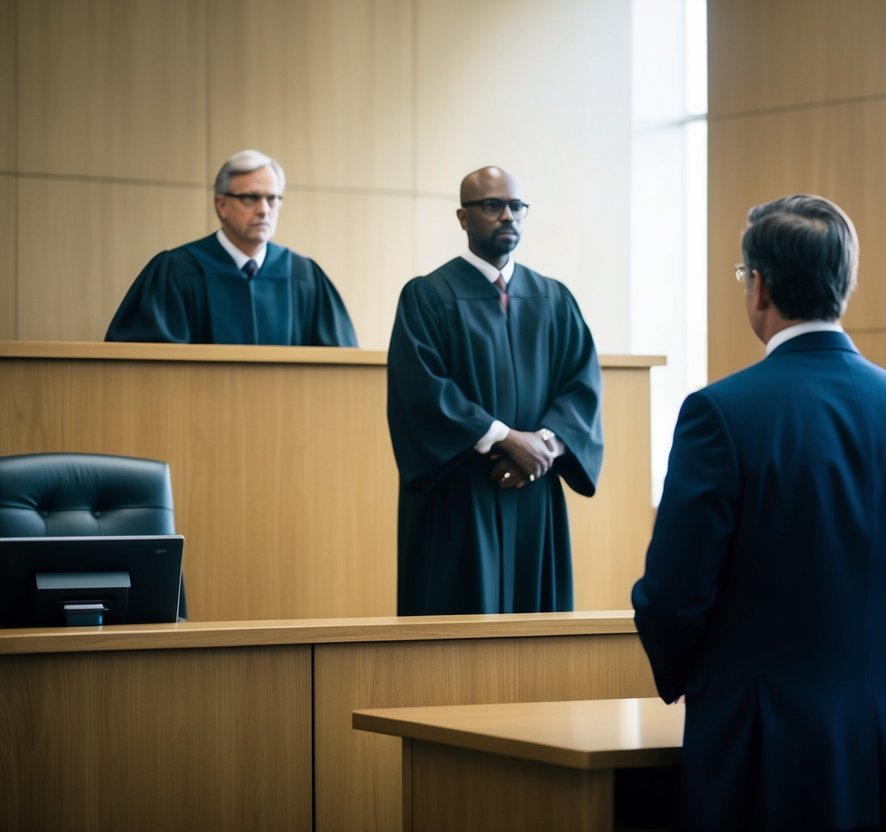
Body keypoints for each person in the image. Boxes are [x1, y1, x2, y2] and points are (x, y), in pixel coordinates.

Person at [631, 195, 886, 830]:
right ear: (845, 283)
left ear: (758, 287)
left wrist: (697, 678)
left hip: (763, 747)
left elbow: (674, 594)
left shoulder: (720, 415)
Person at [386, 165, 603, 615]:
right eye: (492, 206)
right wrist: (505, 439)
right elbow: (422, 393)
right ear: (464, 218)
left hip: (533, 493)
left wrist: (542, 447)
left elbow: (581, 386)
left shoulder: (554, 298)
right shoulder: (427, 297)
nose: (507, 216)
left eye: (516, 206)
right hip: (460, 494)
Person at [106, 149, 358, 346]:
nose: (264, 209)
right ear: (221, 205)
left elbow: (337, 370)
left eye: (272, 198)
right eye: (250, 198)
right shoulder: (176, 272)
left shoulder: (305, 277)